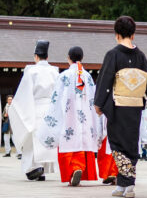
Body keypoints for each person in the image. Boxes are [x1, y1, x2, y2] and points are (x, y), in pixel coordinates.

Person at [94, 16, 147, 198]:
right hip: (134, 106)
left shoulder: (113, 54)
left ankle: (126, 184)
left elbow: (105, 80)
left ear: (117, 35)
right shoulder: (140, 55)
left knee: (117, 144)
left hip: (118, 106)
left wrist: (98, 102)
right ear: (133, 35)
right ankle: (126, 185)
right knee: (130, 143)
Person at [37, 46, 105, 186]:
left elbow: (56, 98)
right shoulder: (87, 77)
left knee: (68, 140)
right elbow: (94, 98)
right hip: (84, 117)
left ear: (68, 58)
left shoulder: (63, 76)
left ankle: (74, 169)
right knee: (82, 139)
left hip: (68, 115)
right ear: (82, 58)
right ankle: (79, 167)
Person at [9, 40, 60, 181]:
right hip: (50, 110)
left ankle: (34, 168)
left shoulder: (31, 71)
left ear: (36, 56)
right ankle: (42, 170)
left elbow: (24, 94)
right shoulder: (54, 72)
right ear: (47, 57)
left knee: (32, 140)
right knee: (45, 140)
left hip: (35, 107)